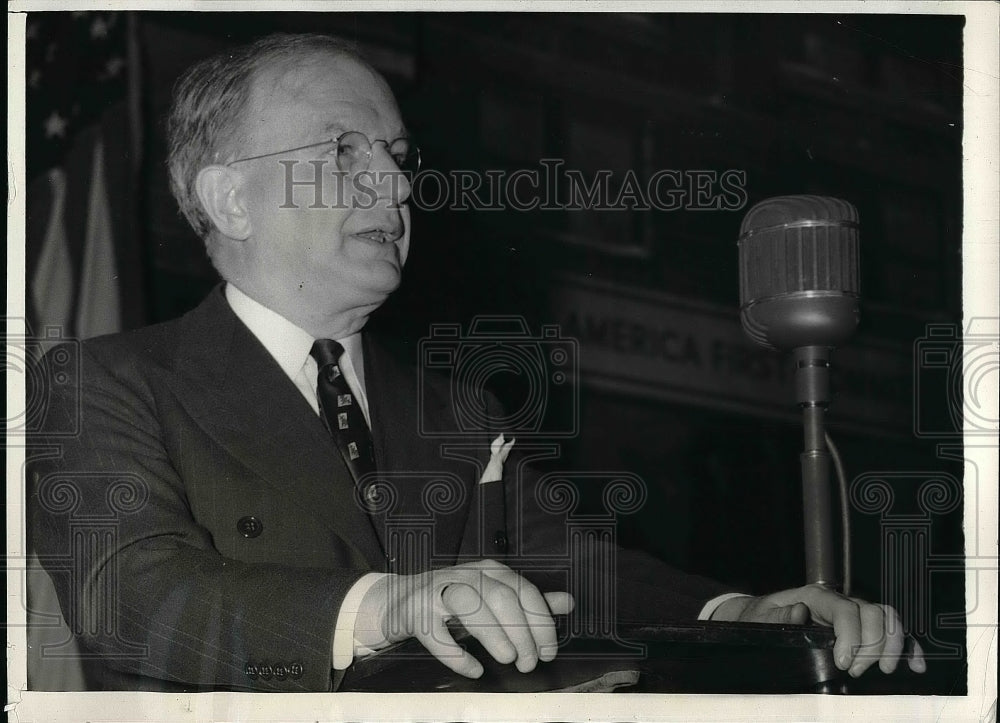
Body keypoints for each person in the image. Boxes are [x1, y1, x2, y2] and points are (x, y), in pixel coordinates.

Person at [28, 32, 925, 692]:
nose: (399, 185)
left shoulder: (458, 411)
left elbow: (579, 569)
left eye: (398, 156)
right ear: (230, 198)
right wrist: (390, 607)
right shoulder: (108, 383)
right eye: (345, 153)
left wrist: (741, 613)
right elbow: (132, 597)